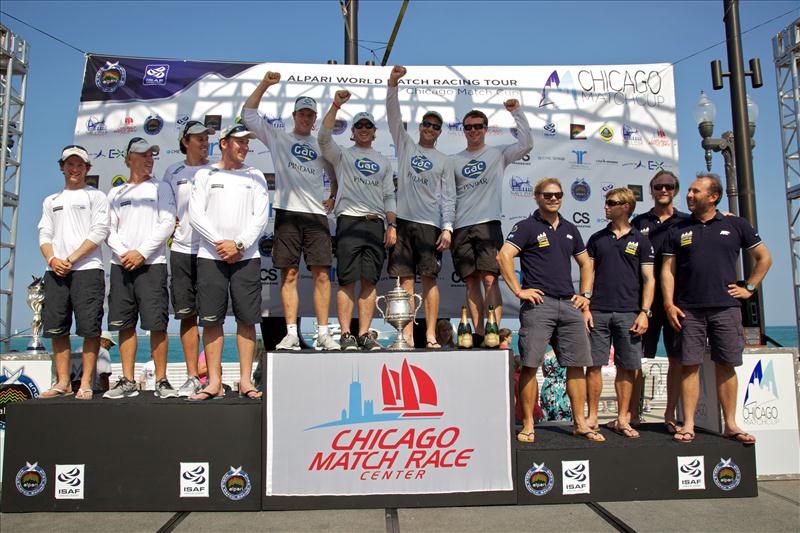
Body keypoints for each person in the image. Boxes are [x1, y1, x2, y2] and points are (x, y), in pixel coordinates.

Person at [662, 173, 772, 443]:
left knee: (726, 365)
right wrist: (668, 304)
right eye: (688, 190)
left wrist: (750, 287)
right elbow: (667, 270)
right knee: (689, 365)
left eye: (695, 191)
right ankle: (687, 424)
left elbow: (764, 258)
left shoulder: (736, 224)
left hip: (726, 308)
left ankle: (731, 424)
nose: (689, 195)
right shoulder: (677, 229)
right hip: (689, 309)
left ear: (713, 197)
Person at [497, 177, 601, 443]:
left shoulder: (569, 228)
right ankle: (529, 424)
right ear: (537, 197)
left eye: (558, 194)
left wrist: (586, 295)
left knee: (577, 365)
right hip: (538, 306)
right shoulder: (527, 226)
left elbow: (586, 263)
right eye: (547, 195)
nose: (553, 198)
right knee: (530, 365)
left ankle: (580, 424)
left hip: (569, 304)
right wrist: (519, 291)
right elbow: (503, 256)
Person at [242, 71, 340, 351]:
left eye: (310, 115)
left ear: (315, 119)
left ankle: (323, 333)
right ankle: (292, 333)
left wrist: (332, 196)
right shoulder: (278, 138)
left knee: (322, 275)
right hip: (286, 212)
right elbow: (249, 115)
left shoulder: (322, 145)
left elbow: (336, 175)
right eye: (302, 114)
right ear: (294, 115)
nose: (306, 119)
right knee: (290, 275)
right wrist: (265, 85)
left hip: (316, 217)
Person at [189, 124, 269, 400]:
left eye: (247, 143)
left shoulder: (255, 175)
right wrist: (220, 244)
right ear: (223, 143)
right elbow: (196, 214)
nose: (244, 147)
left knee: (247, 321)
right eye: (239, 142)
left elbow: (261, 216)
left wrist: (239, 244)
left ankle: (246, 381)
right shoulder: (205, 174)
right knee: (212, 321)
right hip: (211, 257)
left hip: (246, 257)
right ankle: (213, 382)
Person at [318, 90, 396, 351]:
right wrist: (336, 105)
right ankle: (346, 334)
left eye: (368, 126)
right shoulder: (342, 155)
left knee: (370, 281)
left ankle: (364, 334)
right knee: (347, 280)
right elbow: (323, 137)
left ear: (374, 132)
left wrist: (392, 224)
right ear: (352, 132)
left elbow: (389, 196)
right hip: (349, 222)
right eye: (359, 126)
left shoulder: (384, 161)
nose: (363, 129)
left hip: (376, 224)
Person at [386, 65, 456, 348]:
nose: (429, 128)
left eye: (435, 126)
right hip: (402, 221)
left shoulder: (445, 160)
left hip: (430, 225)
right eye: (426, 124)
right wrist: (393, 85)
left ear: (440, 132)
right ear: (420, 127)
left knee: (429, 280)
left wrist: (448, 228)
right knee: (404, 281)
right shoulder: (405, 146)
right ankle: (407, 335)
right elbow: (393, 116)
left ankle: (428, 334)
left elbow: (449, 198)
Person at [451, 101, 532, 346]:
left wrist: (516, 112)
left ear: (486, 129)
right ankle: (475, 334)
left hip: (488, 224)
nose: (473, 131)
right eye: (468, 127)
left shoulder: (497, 154)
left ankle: (492, 330)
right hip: (461, 226)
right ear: (464, 130)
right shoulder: (454, 160)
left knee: (489, 279)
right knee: (471, 281)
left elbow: (527, 143)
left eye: (478, 126)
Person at [103, 138, 176, 399]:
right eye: (143, 155)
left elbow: (166, 223)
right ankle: (128, 380)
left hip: (152, 265)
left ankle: (162, 381)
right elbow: (107, 229)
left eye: (152, 156)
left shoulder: (162, 188)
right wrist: (125, 253)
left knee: (157, 324)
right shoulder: (115, 193)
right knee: (125, 324)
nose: (149, 160)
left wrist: (141, 253)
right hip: (121, 265)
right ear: (128, 159)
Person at [38, 145, 110, 400]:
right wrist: (52, 258)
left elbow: (99, 232)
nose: (75, 169)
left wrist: (70, 259)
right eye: (70, 164)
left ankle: (86, 384)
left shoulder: (96, 197)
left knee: (90, 328)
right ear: (62, 167)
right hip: (55, 271)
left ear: (87, 169)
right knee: (58, 329)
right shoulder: (51, 201)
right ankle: (64, 382)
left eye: (80, 165)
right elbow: (44, 234)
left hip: (87, 270)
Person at [584, 188, 655, 439]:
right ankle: (591, 416)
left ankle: (623, 418)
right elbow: (588, 274)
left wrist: (645, 312)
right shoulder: (596, 238)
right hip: (598, 311)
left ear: (625, 206)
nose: (606, 206)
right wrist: (585, 305)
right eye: (606, 202)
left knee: (627, 367)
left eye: (611, 203)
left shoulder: (642, 241)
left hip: (630, 313)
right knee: (593, 366)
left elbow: (649, 279)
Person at [630, 170, 689, 433]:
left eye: (669, 186)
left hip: (678, 303)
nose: (664, 190)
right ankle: (632, 415)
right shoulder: (638, 221)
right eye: (658, 186)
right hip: (644, 302)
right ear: (651, 190)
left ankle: (669, 415)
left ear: (675, 190)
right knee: (635, 359)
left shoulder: (688, 222)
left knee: (677, 359)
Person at [162, 120, 215, 397]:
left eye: (206, 137)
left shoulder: (216, 169)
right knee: (187, 316)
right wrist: (170, 221)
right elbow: (165, 207)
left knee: (211, 316)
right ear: (185, 141)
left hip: (210, 250)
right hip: (182, 249)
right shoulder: (173, 171)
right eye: (198, 138)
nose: (204, 141)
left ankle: (213, 377)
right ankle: (193, 376)